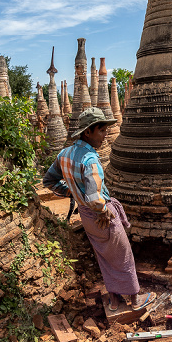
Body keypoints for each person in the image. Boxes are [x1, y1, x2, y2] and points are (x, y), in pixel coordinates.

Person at [43, 107, 156, 312]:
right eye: (102, 130)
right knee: (124, 256)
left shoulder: (64, 154)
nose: (105, 135)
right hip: (101, 216)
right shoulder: (90, 159)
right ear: (88, 132)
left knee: (104, 257)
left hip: (86, 217)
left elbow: (48, 180)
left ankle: (114, 301)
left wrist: (72, 194)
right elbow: (95, 197)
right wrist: (103, 210)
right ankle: (135, 300)